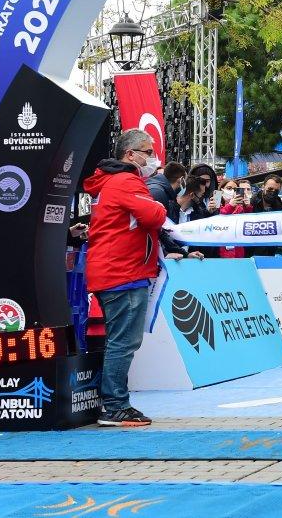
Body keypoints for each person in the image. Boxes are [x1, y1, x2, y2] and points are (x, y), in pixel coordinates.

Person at [83, 129, 167, 427]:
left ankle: (114, 402)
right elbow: (155, 216)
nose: (152, 157)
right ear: (130, 155)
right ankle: (115, 406)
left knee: (119, 341)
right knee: (124, 342)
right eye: (147, 151)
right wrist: (159, 205)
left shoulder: (111, 182)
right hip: (123, 271)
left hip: (115, 270)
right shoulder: (126, 181)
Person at [218, 179, 253, 259]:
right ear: (222, 190)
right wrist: (230, 206)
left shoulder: (240, 208)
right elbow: (218, 218)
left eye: (235, 189)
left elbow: (247, 225)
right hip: (220, 251)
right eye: (229, 188)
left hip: (238, 252)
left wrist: (248, 208)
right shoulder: (216, 205)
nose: (232, 191)